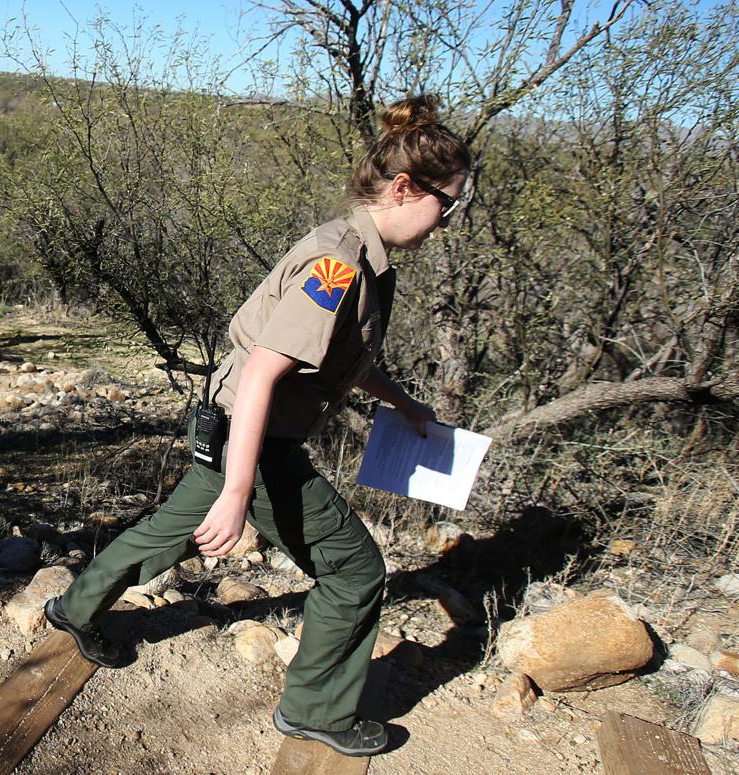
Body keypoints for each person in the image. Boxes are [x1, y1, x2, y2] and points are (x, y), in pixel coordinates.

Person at [43, 95, 470, 757]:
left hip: (233, 427)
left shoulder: (360, 255)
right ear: (406, 187)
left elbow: (333, 359)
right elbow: (267, 372)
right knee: (356, 571)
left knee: (172, 529)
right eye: (449, 202)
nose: (449, 219)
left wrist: (403, 403)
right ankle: (316, 708)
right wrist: (241, 492)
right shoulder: (341, 262)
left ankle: (76, 608)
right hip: (258, 437)